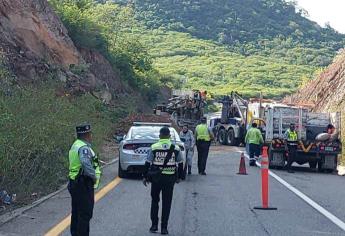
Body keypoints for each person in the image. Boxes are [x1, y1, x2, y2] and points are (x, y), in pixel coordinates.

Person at [143, 127, 184, 235]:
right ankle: (164, 228)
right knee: (167, 203)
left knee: (155, 201)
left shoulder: (154, 147)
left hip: (156, 179)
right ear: (169, 136)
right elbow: (180, 163)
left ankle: (154, 226)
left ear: (160, 136)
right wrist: (180, 177)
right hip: (169, 179)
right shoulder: (175, 148)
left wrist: (145, 176)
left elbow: (147, 163)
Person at [67, 123, 101, 236]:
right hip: (82, 183)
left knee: (76, 213)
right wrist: (93, 176)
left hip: (74, 182)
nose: (91, 136)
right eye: (90, 134)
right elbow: (86, 163)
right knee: (85, 214)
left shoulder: (75, 144)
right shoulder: (84, 148)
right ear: (87, 135)